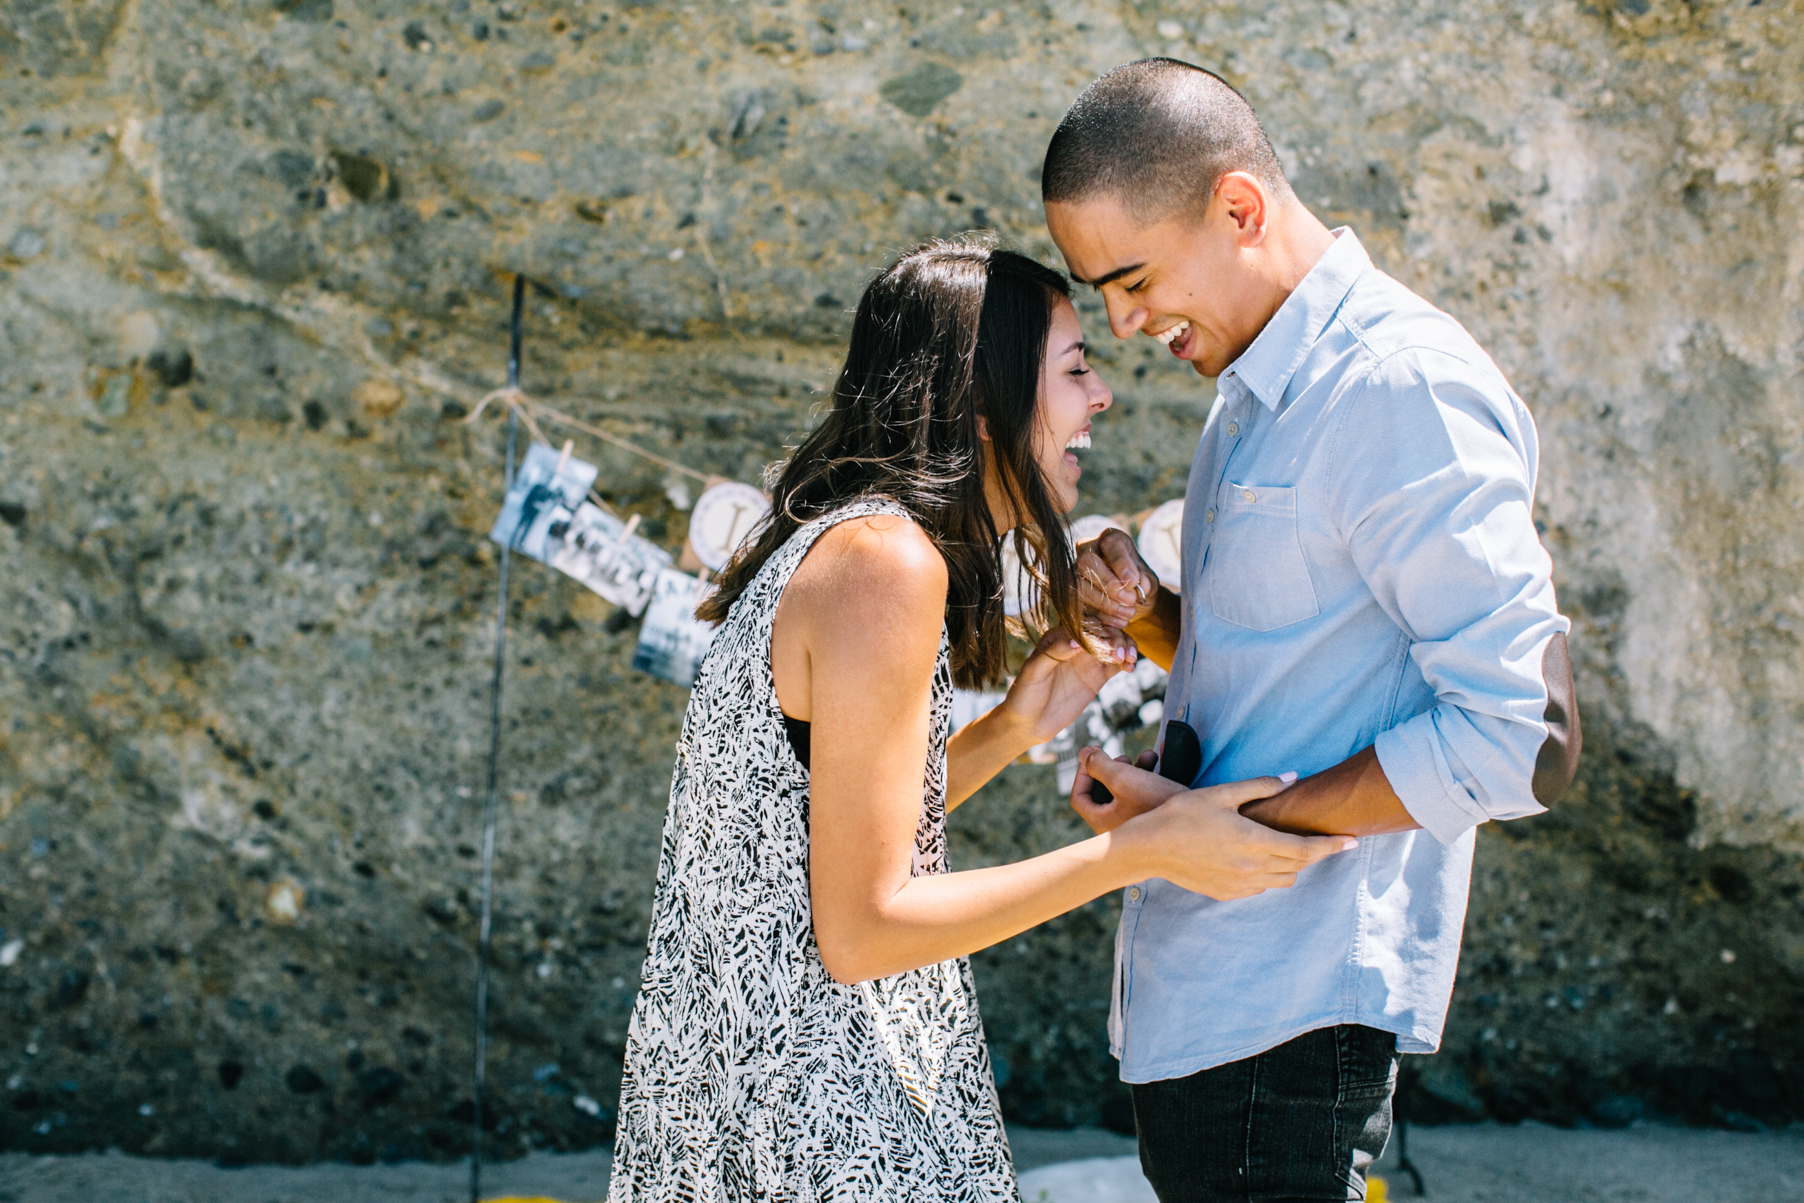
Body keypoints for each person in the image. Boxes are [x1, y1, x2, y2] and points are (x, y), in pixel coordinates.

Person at [607, 238, 1355, 1202]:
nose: (1101, 396)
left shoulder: (845, 543)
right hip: (824, 1121)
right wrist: (1147, 849)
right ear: (982, 404)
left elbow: (800, 835)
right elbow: (865, 928)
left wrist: (1009, 728)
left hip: (739, 1093)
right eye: (1075, 368)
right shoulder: (887, 565)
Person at [1041, 61, 1582, 1203]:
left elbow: (1526, 734)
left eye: (1133, 280)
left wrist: (1223, 828)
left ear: (1239, 208)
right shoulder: (1257, 392)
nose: (1124, 324)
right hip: (1211, 1011)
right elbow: (1283, 670)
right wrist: (1150, 614)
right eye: (1103, 294)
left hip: (1291, 1030)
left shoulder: (1397, 388)